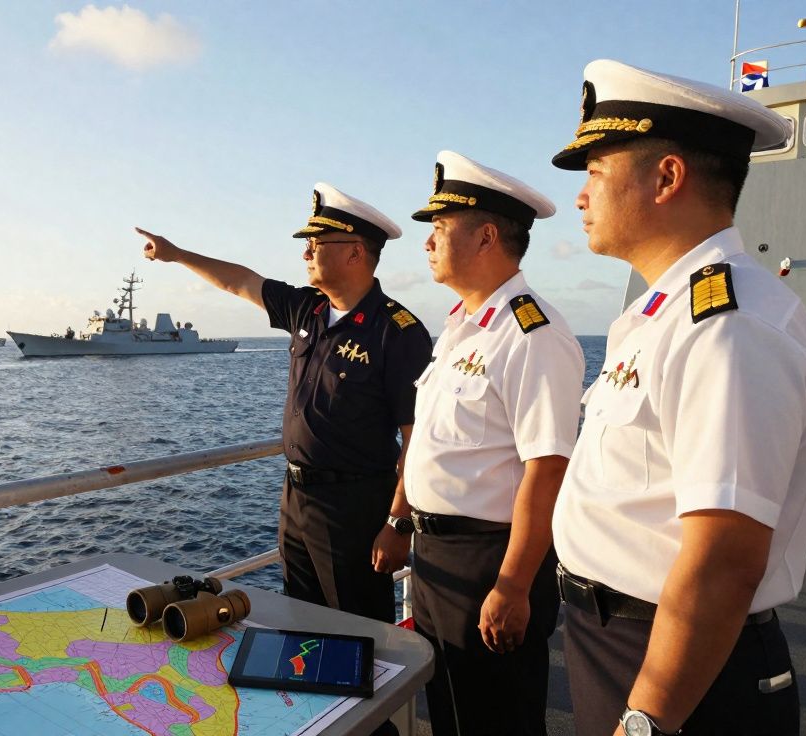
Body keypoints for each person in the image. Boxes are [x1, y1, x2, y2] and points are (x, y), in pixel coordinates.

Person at [548, 59, 806, 736]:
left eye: (594, 172)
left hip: (684, 670)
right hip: (624, 642)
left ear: (667, 177)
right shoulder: (662, 313)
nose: (581, 198)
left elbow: (725, 560)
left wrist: (646, 720)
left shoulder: (730, 327)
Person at [139, 183, 432, 624]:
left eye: (316, 244)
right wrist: (178, 254)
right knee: (302, 619)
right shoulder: (306, 309)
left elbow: (417, 439)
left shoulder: (397, 331)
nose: (306, 253)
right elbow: (240, 281)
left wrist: (397, 523)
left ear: (355, 252)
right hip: (295, 498)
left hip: (354, 506)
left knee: (357, 631)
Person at [381, 151, 584, 735]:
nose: (427, 243)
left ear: (487, 236)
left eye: (440, 229)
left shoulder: (531, 335)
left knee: (497, 718)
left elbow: (547, 470)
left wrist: (513, 585)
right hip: (439, 555)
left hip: (490, 562)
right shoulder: (461, 327)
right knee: (453, 712)